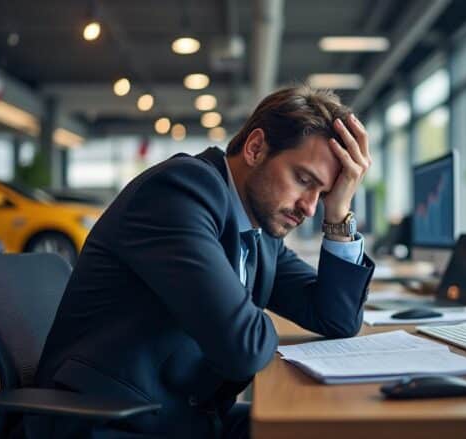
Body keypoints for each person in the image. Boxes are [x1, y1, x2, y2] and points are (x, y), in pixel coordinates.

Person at [29, 86, 375, 439]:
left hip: (183, 417)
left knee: (330, 430)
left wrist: (339, 214)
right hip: (112, 423)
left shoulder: (260, 228)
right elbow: (243, 349)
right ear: (256, 148)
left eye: (323, 194)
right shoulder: (179, 192)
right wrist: (250, 320)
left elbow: (337, 318)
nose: (310, 208)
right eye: (303, 180)